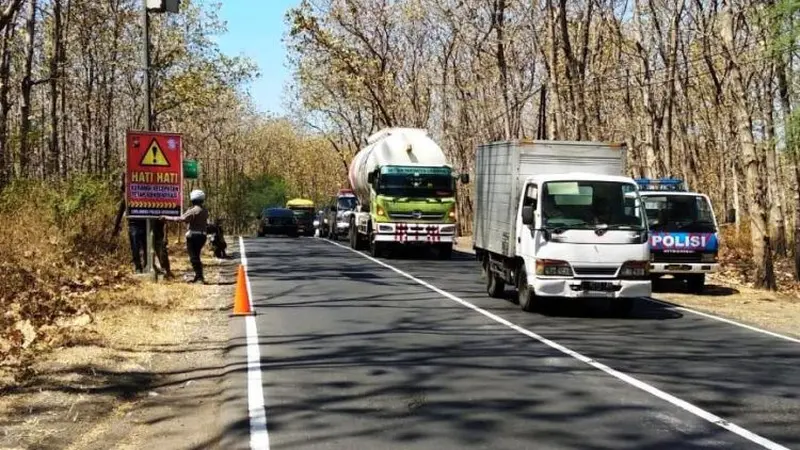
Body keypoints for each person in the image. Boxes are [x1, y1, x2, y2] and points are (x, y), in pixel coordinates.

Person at [161, 189, 209, 284]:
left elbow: (182, 219)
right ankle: (198, 276)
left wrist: (166, 217)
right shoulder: (204, 210)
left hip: (193, 236)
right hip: (202, 236)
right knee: (197, 256)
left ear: (193, 199)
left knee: (193, 258)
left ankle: (199, 277)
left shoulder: (193, 210)